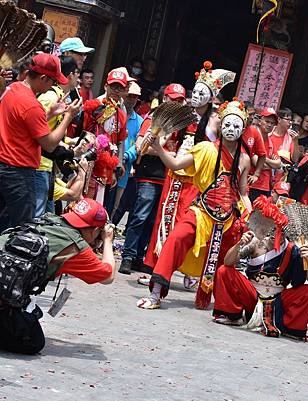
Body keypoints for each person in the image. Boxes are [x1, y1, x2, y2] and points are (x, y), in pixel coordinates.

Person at [136, 99, 251, 310]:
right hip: (202, 211)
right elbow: (176, 164)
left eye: (236, 126)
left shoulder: (244, 159)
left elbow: (243, 192)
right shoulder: (206, 149)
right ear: (221, 125)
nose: (231, 129)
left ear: (243, 129)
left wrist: (251, 218)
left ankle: (225, 305)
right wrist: (159, 149)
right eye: (227, 124)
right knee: (176, 239)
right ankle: (155, 294)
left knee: (227, 260)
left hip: (228, 218)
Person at [143, 64, 236, 274]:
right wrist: (158, 140)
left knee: (190, 224)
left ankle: (190, 269)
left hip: (199, 179)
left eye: (203, 93)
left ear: (212, 97)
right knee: (165, 218)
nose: (196, 96)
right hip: (175, 172)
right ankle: (158, 265)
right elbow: (165, 137)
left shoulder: (216, 120)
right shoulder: (182, 114)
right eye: (195, 91)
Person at [0, 198, 115, 355]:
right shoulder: (76, 246)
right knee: (33, 342)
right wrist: (108, 241)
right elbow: (107, 276)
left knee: (29, 313)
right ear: (95, 231)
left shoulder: (49, 220)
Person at [212, 196, 308, 340]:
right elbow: (228, 262)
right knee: (223, 271)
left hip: (278, 301)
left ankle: (291, 327)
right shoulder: (256, 243)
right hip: (252, 295)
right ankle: (232, 316)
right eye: (275, 228)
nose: (279, 233)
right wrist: (239, 244)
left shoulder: (293, 250)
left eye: (282, 229)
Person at [0, 53, 81, 232]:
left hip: (4, 166)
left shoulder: (12, 89)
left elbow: (23, 126)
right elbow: (49, 144)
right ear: (43, 78)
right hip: (19, 173)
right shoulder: (31, 104)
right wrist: (68, 117)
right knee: (22, 230)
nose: (54, 85)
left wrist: (50, 114)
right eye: (52, 81)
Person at [118, 83, 187, 275]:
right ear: (165, 99)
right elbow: (141, 147)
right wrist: (164, 152)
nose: (177, 104)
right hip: (149, 176)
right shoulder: (153, 119)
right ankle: (128, 256)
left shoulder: (182, 126)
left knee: (155, 221)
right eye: (174, 99)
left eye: (181, 100)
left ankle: (141, 256)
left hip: (170, 179)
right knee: (140, 216)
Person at [34, 56, 81, 217]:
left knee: (46, 219)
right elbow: (38, 131)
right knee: (35, 219)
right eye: (78, 74)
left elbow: (49, 131)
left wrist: (70, 142)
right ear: (71, 75)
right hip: (39, 165)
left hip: (48, 167)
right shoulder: (50, 97)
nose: (78, 79)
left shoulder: (59, 97)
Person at [82, 68, 129, 200]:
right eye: (113, 86)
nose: (116, 90)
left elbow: (120, 141)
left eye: (120, 88)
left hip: (107, 167)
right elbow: (82, 131)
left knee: (98, 204)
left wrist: (118, 164)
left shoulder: (121, 114)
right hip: (89, 162)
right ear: (105, 86)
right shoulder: (94, 105)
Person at [105, 81, 144, 219]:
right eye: (130, 96)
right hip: (107, 162)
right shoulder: (112, 111)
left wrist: (127, 156)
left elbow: (140, 144)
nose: (132, 99)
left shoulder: (139, 121)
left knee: (115, 205)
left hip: (124, 167)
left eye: (135, 97)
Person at [249, 108, 281, 201]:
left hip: (265, 186)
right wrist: (271, 164)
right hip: (252, 184)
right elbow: (257, 163)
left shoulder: (271, 142)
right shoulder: (253, 137)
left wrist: (263, 159)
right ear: (260, 121)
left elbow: (278, 164)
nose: (269, 125)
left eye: (272, 123)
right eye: (267, 121)